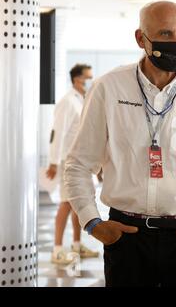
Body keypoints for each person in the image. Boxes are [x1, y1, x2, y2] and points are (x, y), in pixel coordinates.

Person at [64, 1, 176, 287]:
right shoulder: (109, 88)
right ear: (141, 38)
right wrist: (93, 223)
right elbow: (78, 165)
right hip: (127, 236)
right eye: (165, 34)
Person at [46, 64, 99, 264]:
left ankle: (77, 246)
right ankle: (57, 250)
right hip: (66, 162)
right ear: (77, 79)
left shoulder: (81, 100)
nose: (91, 80)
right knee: (66, 204)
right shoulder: (67, 102)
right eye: (88, 77)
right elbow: (57, 134)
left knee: (78, 206)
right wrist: (53, 163)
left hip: (80, 162)